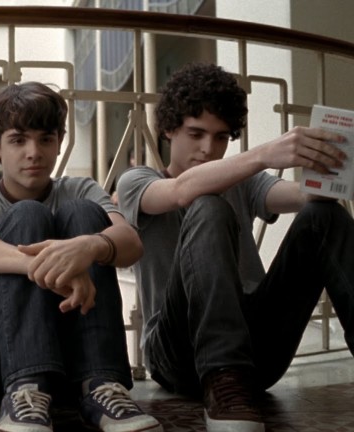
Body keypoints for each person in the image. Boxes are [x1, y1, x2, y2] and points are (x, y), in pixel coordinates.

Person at [117, 62, 354, 431]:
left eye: (221, 137)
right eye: (196, 134)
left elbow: (302, 199)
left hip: (257, 350)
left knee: (325, 214)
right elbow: (181, 191)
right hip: (178, 354)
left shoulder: (242, 181)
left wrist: (339, 179)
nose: (208, 149)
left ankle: (232, 379)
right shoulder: (137, 180)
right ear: (168, 129)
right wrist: (263, 154)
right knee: (208, 204)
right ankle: (223, 380)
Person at [0, 82, 162, 432]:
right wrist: (45, 265)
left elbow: (130, 243)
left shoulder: (80, 189)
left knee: (86, 216)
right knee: (28, 215)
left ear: (59, 142)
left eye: (46, 139)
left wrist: (89, 247)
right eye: (18, 140)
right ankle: (24, 390)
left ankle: (101, 385)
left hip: (70, 359)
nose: (34, 152)